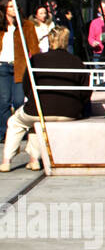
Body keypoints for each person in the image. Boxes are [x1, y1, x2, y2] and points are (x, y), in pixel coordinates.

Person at [0, 26, 88, 172]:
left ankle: (6, 161)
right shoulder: (76, 61)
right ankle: (34, 160)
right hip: (69, 112)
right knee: (36, 122)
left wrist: (34, 100)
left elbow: (27, 86)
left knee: (16, 123)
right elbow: (85, 91)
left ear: (49, 40)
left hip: (40, 109)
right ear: (66, 41)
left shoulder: (36, 59)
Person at [0, 0, 40, 145]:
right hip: (2, 66)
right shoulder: (1, 27)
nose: (13, 9)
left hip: (20, 67)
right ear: (4, 9)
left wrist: (36, 66)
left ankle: (20, 130)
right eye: (10, 6)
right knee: (4, 101)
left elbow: (34, 48)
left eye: (15, 6)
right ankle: (5, 132)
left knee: (18, 101)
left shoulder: (26, 26)